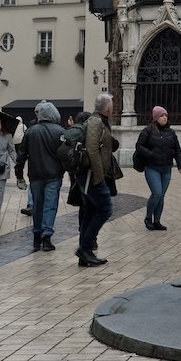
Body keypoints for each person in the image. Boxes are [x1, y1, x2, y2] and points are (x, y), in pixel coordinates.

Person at [15, 101, 64, 251]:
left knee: (37, 204)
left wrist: (19, 174)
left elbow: (21, 154)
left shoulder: (30, 131)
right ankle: (47, 236)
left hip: (35, 174)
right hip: (54, 174)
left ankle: (37, 234)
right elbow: (65, 154)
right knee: (50, 205)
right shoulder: (60, 131)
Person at [76, 94, 115, 267]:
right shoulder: (96, 122)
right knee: (105, 209)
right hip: (92, 176)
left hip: (93, 175)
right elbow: (92, 150)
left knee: (90, 212)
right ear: (107, 108)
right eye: (112, 105)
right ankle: (84, 248)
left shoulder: (101, 121)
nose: (113, 108)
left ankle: (85, 252)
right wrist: (99, 177)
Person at [135, 105, 181, 231]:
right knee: (156, 193)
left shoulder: (171, 132)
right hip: (152, 167)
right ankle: (148, 217)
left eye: (166, 115)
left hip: (166, 168)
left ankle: (157, 221)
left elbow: (177, 149)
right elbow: (139, 146)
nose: (164, 118)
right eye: (161, 115)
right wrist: (151, 154)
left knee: (161, 195)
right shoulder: (148, 131)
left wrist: (180, 164)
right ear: (156, 117)